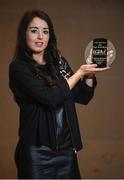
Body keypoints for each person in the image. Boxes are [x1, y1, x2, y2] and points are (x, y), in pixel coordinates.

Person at [9, 10, 110, 179]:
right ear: (23, 34)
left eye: (45, 31)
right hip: (36, 153)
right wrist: (79, 73)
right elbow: (50, 97)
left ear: (50, 35)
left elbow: (82, 97)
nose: (40, 36)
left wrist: (89, 74)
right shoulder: (19, 68)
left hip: (67, 150)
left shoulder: (59, 63)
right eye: (34, 30)